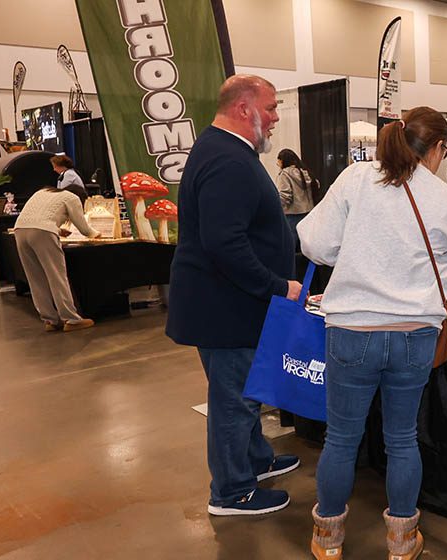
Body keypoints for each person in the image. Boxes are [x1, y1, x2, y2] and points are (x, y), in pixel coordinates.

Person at [298, 107, 447, 560]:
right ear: (437, 148)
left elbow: (315, 244)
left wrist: (354, 253)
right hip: (415, 334)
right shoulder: (441, 195)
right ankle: (401, 541)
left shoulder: (356, 178)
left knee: (341, 438)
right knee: (401, 438)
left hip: (352, 329)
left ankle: (328, 539)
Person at [165, 75, 303, 517]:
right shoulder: (227, 158)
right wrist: (278, 285)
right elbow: (224, 243)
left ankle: (256, 461)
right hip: (227, 309)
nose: (276, 117)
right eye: (271, 107)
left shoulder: (226, 151)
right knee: (234, 401)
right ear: (244, 109)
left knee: (245, 393)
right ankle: (231, 491)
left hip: (229, 304)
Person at [13, 186, 99, 332]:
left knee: (35, 278)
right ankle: (71, 319)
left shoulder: (43, 191)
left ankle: (50, 320)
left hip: (20, 230)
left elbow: (37, 219)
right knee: (57, 276)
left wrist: (58, 230)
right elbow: (85, 229)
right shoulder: (72, 198)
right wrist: (98, 234)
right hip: (43, 232)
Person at [274, 148, 316, 247]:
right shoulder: (304, 172)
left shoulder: (284, 174)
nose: (277, 163)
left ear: (283, 161)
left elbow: (285, 195)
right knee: (306, 243)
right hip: (308, 212)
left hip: (292, 214)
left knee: (289, 244)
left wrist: (276, 207)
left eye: (278, 160)